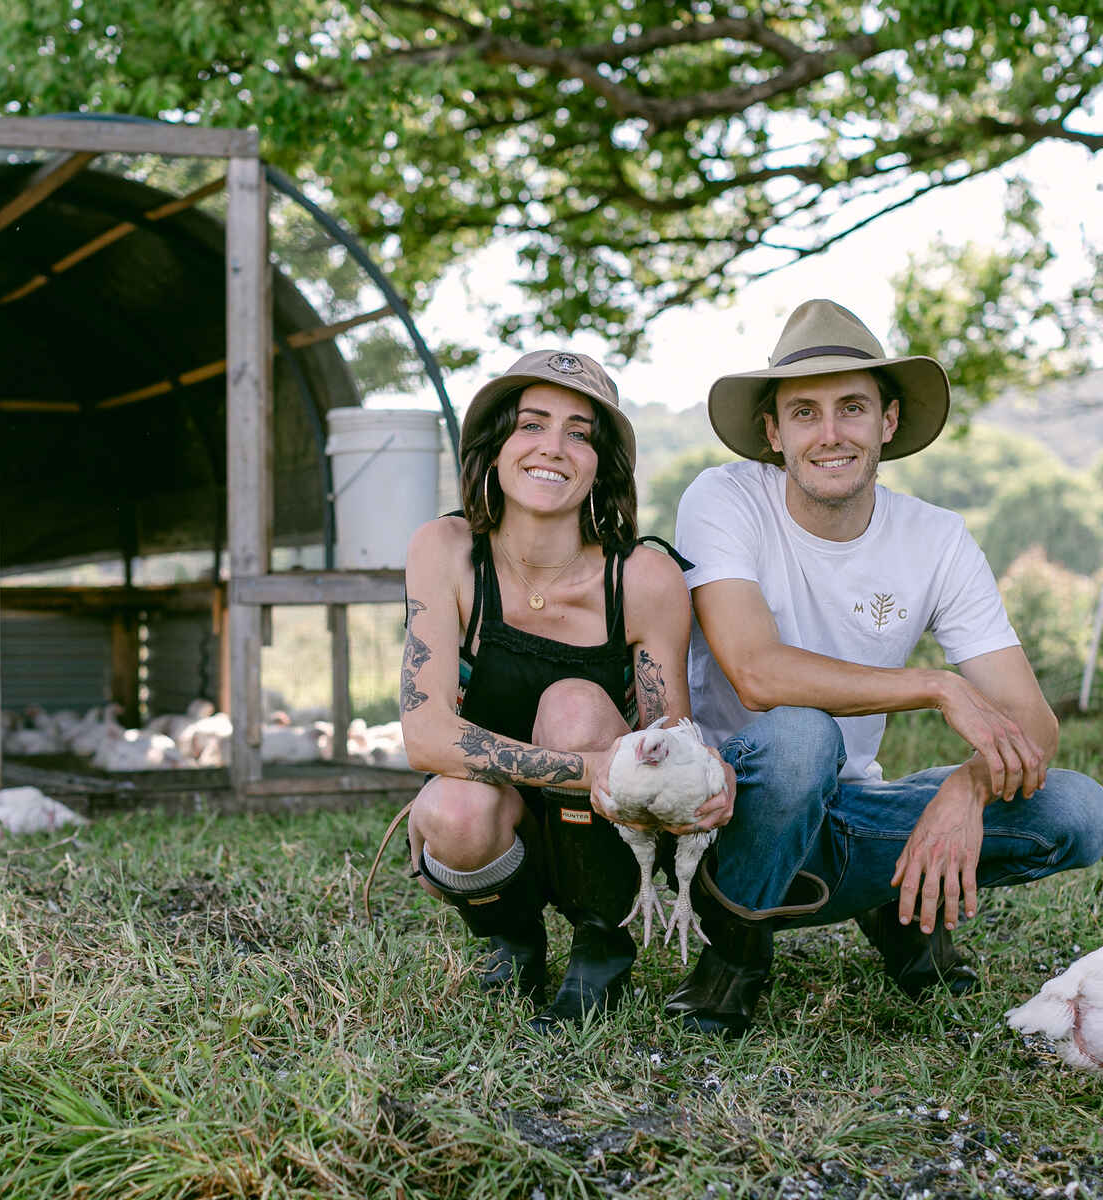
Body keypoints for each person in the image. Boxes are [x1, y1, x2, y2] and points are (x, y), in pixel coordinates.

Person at [670, 298, 1103, 1037]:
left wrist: (966, 791)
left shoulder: (936, 537)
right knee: (803, 737)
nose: (831, 434)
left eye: (852, 408)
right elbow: (756, 673)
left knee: (1077, 810)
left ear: (888, 422)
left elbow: (1029, 723)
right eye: (804, 412)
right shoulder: (724, 498)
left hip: (849, 811)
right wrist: (937, 685)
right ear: (773, 433)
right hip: (727, 809)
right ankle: (733, 956)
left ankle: (894, 900)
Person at [400, 349, 734, 1031]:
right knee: (452, 813)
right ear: (495, 449)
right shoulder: (447, 551)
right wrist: (596, 768)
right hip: (505, 818)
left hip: (607, 828)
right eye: (531, 424)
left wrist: (698, 771)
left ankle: (601, 943)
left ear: (599, 463)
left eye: (579, 432)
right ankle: (514, 938)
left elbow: (668, 742)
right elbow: (425, 734)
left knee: (575, 703)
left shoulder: (642, 578)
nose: (553, 446)